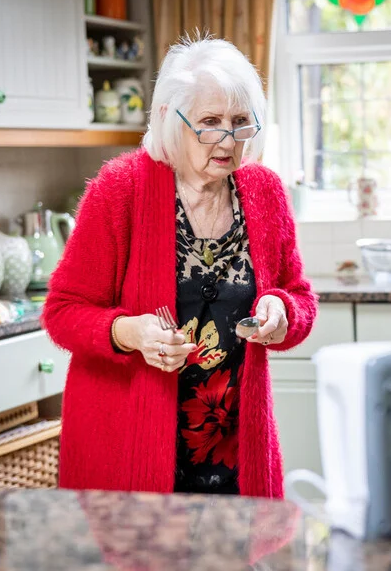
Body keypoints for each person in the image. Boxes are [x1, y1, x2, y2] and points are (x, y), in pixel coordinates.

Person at [42, 35, 318, 498]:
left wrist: (281, 310)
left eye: (240, 123)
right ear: (171, 119)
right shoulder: (120, 189)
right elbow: (62, 312)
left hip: (235, 456)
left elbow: (299, 296)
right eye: (210, 123)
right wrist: (130, 333)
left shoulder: (264, 192)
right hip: (128, 453)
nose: (228, 140)